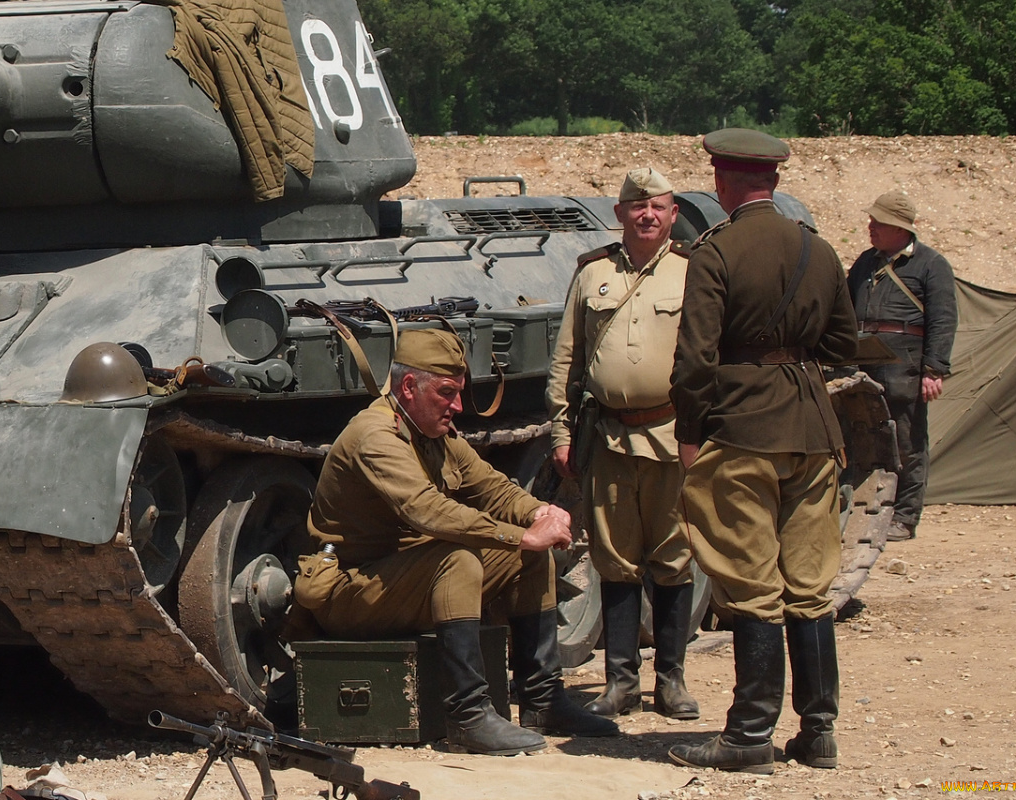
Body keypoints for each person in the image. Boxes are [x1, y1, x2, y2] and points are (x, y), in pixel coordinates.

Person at [295, 327, 618, 756]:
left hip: (405, 580)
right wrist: (521, 534)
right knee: (461, 559)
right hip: (351, 592)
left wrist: (539, 513)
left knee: (526, 559)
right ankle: (468, 717)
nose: (458, 406)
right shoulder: (375, 436)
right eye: (446, 393)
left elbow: (493, 488)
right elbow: (426, 510)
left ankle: (543, 700)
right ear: (408, 387)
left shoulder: (431, 434)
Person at [668, 129, 861, 775]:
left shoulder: (715, 251)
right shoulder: (818, 248)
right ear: (772, 181)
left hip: (742, 430)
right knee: (808, 587)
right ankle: (820, 731)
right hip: (812, 428)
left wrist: (691, 431)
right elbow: (841, 344)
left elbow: (694, 358)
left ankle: (750, 734)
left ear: (723, 181)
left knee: (752, 587)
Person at [546, 168, 699, 722]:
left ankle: (672, 680)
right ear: (620, 214)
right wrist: (562, 432)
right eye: (637, 206)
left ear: (673, 213)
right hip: (608, 436)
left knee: (674, 557)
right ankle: (621, 681)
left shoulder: (691, 272)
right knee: (615, 561)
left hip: (669, 436)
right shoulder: (593, 275)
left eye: (657, 206)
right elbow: (566, 359)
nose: (647, 215)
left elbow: (707, 359)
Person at [845, 191, 955, 541]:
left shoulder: (931, 265)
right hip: (864, 362)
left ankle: (904, 517)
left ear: (899, 228)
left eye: (878, 223)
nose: (871, 227)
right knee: (859, 435)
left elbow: (942, 320)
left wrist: (933, 370)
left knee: (908, 441)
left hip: (903, 365)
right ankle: (864, 511)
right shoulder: (866, 262)